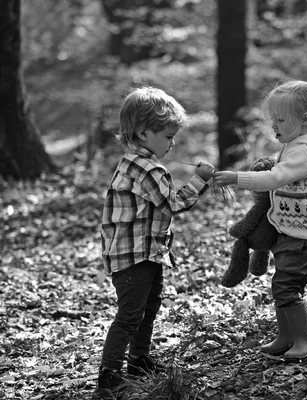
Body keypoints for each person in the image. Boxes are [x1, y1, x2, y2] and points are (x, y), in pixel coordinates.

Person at [97, 86, 214, 398]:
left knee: (149, 307)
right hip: (133, 256)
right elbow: (173, 203)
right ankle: (109, 374)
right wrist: (201, 179)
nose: (172, 144)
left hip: (147, 253)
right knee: (131, 314)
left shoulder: (133, 162)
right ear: (143, 132)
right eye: (167, 136)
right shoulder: (147, 168)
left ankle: (138, 361)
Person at [213, 80, 307, 362]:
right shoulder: (296, 145)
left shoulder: (305, 150)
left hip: (304, 237)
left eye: (280, 119)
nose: (274, 126)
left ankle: (306, 339)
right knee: (281, 284)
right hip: (291, 230)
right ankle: (286, 335)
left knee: (287, 287)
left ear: (304, 119)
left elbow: (277, 177)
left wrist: (237, 177)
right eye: (273, 119)